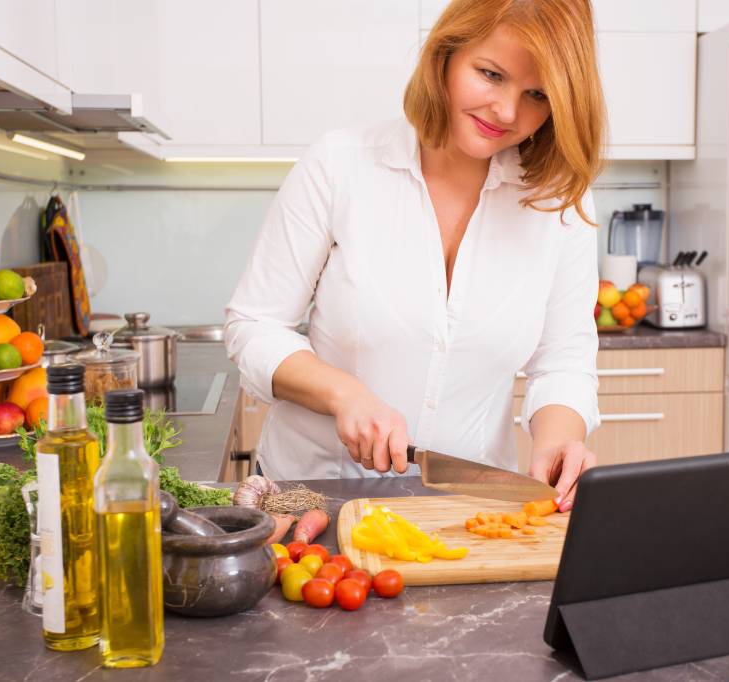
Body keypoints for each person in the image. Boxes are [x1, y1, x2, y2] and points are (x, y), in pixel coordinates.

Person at [225, 0, 607, 512]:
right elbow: (254, 325)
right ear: (445, 55)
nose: (507, 112)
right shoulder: (340, 166)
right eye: (491, 75)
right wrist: (344, 394)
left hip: (468, 508)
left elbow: (563, 361)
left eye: (537, 95)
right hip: (310, 499)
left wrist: (558, 442)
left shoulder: (559, 201)